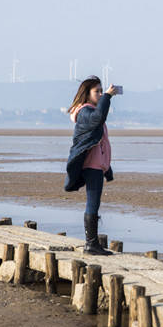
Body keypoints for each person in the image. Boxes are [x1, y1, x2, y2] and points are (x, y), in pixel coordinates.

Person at [64, 76, 120, 255]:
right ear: (87, 94)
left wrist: (106, 166)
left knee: (94, 203)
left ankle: (92, 243)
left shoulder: (88, 112)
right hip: (92, 166)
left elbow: (98, 143)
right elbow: (98, 117)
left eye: (102, 90)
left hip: (96, 165)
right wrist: (108, 97)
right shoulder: (85, 113)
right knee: (93, 204)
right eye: (97, 91)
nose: (101, 94)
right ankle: (91, 245)